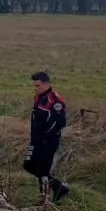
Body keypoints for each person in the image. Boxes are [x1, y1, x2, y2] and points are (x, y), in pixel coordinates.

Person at [25, 71, 69, 204]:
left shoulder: (55, 101)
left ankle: (45, 199)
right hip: (35, 139)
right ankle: (58, 187)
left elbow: (59, 123)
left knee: (43, 170)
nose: (35, 88)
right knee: (29, 165)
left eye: (37, 85)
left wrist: (45, 138)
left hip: (47, 142)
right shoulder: (39, 97)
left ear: (45, 84)